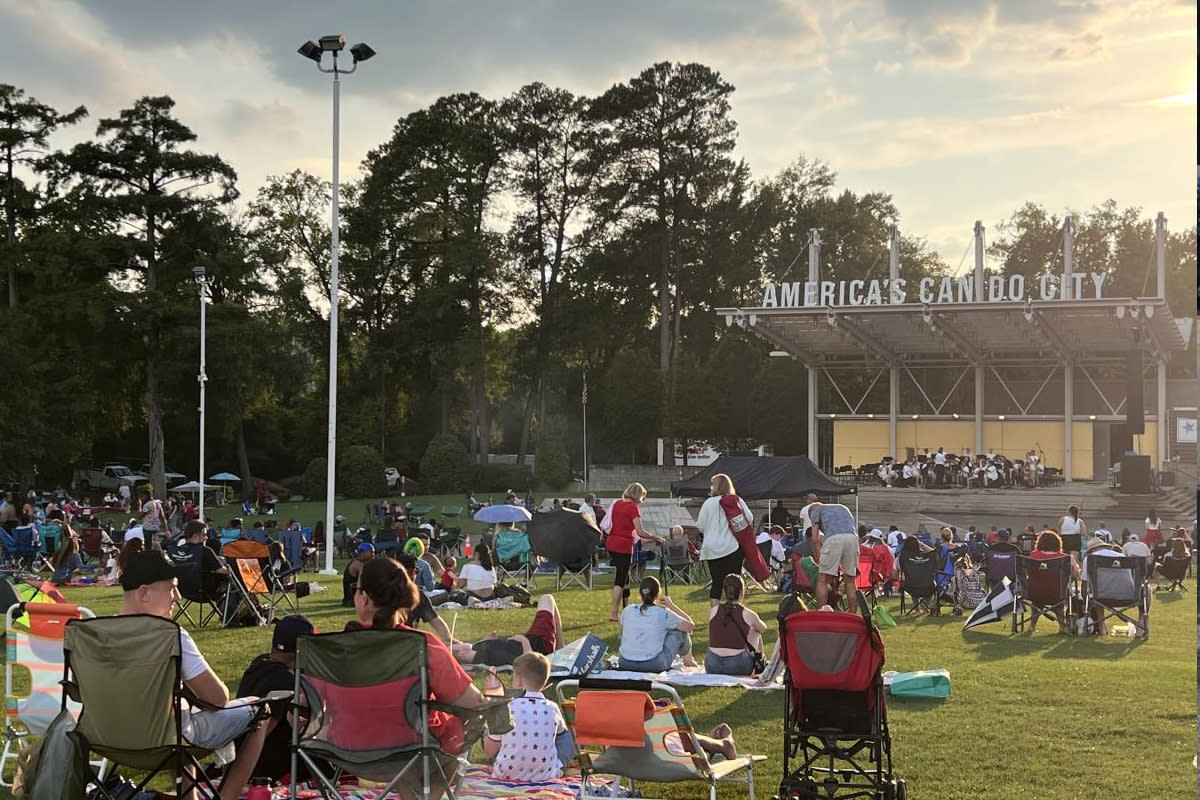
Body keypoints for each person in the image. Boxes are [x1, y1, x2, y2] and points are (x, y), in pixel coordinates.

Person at [119, 550, 271, 800]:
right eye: (171, 589)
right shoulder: (169, 636)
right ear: (144, 593)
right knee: (261, 711)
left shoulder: (93, 635)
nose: (177, 597)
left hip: (110, 739)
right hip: (165, 741)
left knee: (175, 715)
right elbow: (217, 698)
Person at [349, 556, 494, 756]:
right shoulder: (423, 645)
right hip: (418, 753)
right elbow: (473, 702)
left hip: (352, 750)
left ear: (365, 598)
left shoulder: (341, 647)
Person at [235, 616, 324, 783]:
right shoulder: (285, 681)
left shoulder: (260, 664)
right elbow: (261, 732)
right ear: (303, 650)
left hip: (239, 756)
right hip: (265, 770)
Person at [481, 652, 569, 781]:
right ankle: (554, 765)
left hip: (506, 775)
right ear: (544, 684)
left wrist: (494, 702)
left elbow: (490, 751)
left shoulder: (507, 707)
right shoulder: (553, 708)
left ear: (518, 681)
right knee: (564, 736)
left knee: (492, 733)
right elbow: (564, 738)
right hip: (545, 776)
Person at [451, 594, 566, 667]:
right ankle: (561, 649)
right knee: (547, 598)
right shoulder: (480, 657)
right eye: (460, 644)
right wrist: (524, 640)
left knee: (548, 601)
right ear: (461, 654)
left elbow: (471, 647)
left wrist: (485, 640)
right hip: (539, 644)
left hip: (531, 640)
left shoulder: (478, 653)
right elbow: (530, 662)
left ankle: (561, 649)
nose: (462, 642)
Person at [603, 482, 662, 622]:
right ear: (638, 495)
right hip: (623, 545)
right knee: (620, 579)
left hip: (611, 543)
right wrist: (656, 537)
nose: (643, 499)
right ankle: (614, 613)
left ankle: (626, 608)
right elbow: (640, 531)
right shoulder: (633, 508)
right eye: (643, 496)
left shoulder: (617, 503)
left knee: (626, 577)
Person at [617, 577, 697, 672]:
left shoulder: (628, 610)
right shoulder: (663, 613)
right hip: (653, 664)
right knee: (680, 631)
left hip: (625, 663)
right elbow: (690, 626)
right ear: (658, 594)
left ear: (640, 593)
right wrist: (671, 605)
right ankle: (688, 661)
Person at [696, 474, 749, 609]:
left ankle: (715, 616)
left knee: (717, 582)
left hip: (712, 548)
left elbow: (700, 526)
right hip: (731, 547)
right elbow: (749, 518)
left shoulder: (708, 503)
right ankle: (736, 613)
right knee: (734, 582)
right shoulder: (737, 500)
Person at [705, 574, 766, 676]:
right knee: (756, 631)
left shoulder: (714, 611)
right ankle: (761, 663)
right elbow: (762, 628)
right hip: (737, 664)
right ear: (742, 591)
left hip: (712, 664)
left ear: (725, 591)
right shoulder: (748, 613)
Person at [809, 501, 860, 614]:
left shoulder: (814, 510)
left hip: (834, 539)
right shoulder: (843, 507)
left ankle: (822, 613)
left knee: (822, 580)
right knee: (850, 580)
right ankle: (853, 614)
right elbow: (854, 531)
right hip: (852, 539)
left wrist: (819, 560)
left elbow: (814, 539)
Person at [1026, 530, 1079, 633]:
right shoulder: (1065, 558)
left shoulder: (1033, 555)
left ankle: (1032, 625)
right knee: (1059, 597)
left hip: (1034, 593)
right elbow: (1075, 575)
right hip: (1057, 593)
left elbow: (1028, 572)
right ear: (1058, 543)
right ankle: (1062, 626)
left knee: (1037, 601)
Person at [397, 553, 452, 643]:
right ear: (409, 572)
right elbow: (437, 623)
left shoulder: (381, 591)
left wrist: (449, 640)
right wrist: (449, 641)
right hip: (408, 644)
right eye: (416, 572)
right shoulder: (417, 595)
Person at [168, 520, 230, 601]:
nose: (206, 538)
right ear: (195, 535)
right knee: (230, 582)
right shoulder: (204, 551)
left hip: (178, 590)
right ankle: (231, 612)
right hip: (203, 592)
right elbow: (221, 570)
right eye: (204, 535)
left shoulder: (172, 550)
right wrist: (233, 571)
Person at [341, 542, 375, 608]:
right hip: (352, 600)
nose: (373, 554)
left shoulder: (363, 563)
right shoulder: (357, 564)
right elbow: (363, 582)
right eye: (371, 552)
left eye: (373, 552)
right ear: (363, 553)